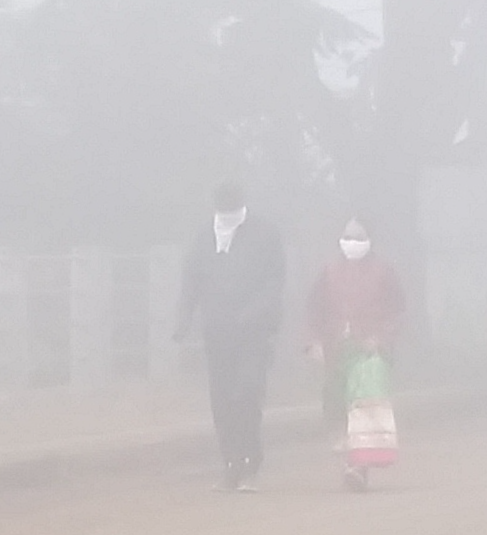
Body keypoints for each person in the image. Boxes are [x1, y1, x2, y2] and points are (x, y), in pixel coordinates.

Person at [175, 179, 289, 491]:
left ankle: (251, 462)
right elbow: (191, 279)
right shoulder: (203, 236)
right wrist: (183, 320)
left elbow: (274, 281)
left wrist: (253, 314)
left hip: (254, 333)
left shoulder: (265, 234)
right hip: (217, 332)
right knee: (222, 399)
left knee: (248, 393)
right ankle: (230, 463)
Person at [306, 217, 410, 490]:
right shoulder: (329, 271)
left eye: (358, 237)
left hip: (370, 351)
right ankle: (348, 457)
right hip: (337, 348)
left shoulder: (383, 271)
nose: (352, 242)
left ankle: (358, 466)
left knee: (363, 404)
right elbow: (313, 309)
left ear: (369, 240)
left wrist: (381, 338)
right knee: (336, 400)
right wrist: (314, 342)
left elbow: (398, 310)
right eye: (348, 236)